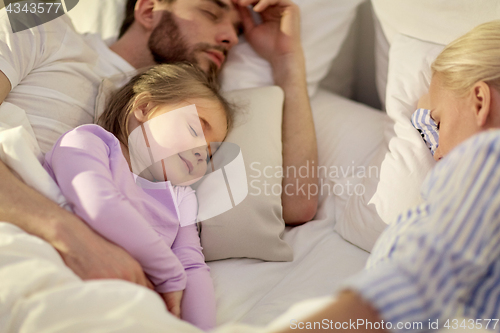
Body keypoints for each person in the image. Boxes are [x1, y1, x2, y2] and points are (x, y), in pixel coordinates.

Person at [0, 0, 317, 291]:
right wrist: (71, 237)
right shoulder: (40, 26)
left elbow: (297, 204)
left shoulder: (197, 126)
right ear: (149, 10)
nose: (232, 39)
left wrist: (288, 59)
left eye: (237, 30)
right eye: (211, 12)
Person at [277, 20, 500, 332]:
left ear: (480, 100)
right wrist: (440, 110)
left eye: (438, 123)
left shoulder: (489, 158)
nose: (435, 152)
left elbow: (415, 289)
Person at [42, 63, 229, 330]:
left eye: (210, 154)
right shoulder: (87, 142)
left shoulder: (181, 198)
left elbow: (191, 265)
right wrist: (168, 275)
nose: (202, 152)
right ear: (144, 108)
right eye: (195, 129)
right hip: (67, 276)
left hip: (132, 301)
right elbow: (101, 208)